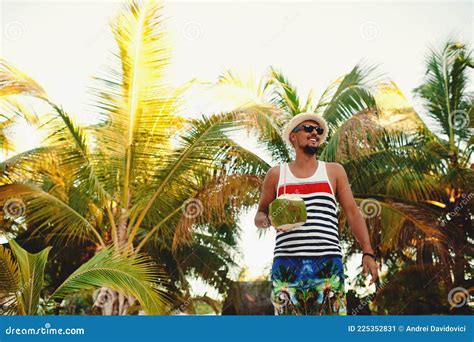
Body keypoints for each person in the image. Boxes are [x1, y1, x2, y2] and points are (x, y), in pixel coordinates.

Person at [254, 112, 379, 315]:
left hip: (328, 263)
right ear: (293, 136)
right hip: (287, 263)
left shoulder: (334, 171)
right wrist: (269, 219)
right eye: (308, 128)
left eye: (319, 130)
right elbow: (259, 215)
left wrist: (368, 252)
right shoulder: (277, 175)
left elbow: (353, 213)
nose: (315, 133)